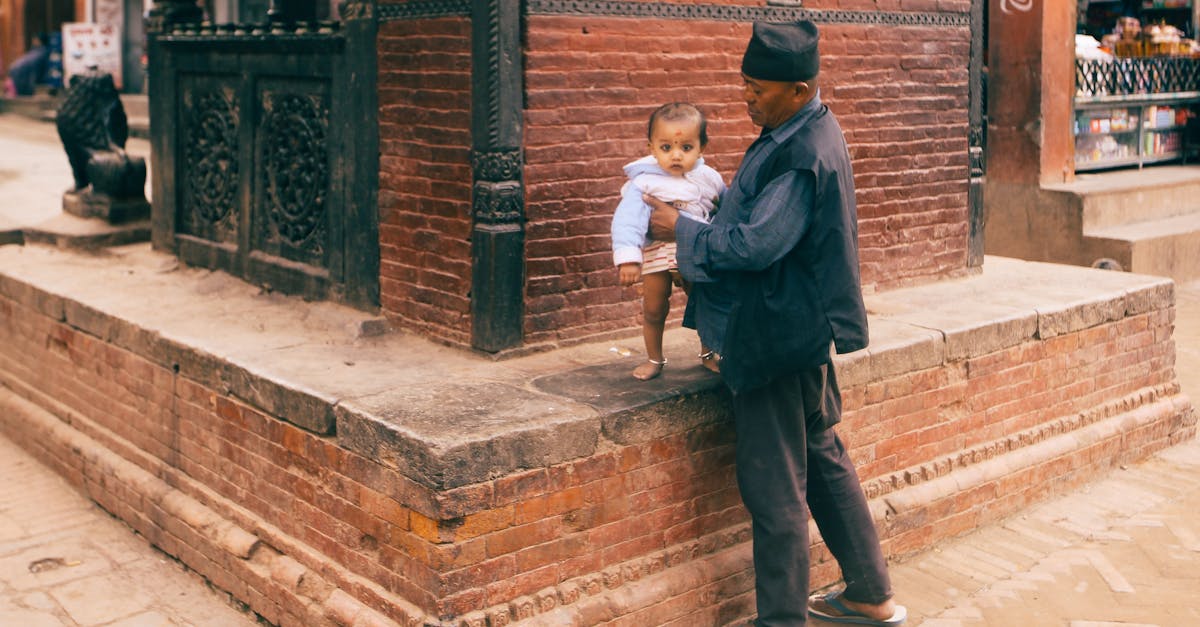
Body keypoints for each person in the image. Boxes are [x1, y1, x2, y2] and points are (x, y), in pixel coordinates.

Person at [647, 20, 906, 627]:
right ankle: (870, 592)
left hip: (773, 338)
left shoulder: (802, 152)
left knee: (775, 486)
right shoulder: (799, 127)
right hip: (799, 331)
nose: (746, 96)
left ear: (798, 87)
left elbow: (759, 245)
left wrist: (679, 231)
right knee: (820, 455)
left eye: (757, 87)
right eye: (744, 83)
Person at [611, 102, 726, 380]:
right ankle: (654, 358)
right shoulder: (645, 182)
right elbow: (627, 219)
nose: (676, 155)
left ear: (702, 147)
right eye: (666, 148)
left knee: (703, 302)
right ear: (651, 147)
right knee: (654, 307)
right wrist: (628, 257)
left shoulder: (709, 178)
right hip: (657, 251)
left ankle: (709, 353)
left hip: (694, 247)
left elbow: (725, 208)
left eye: (686, 148)